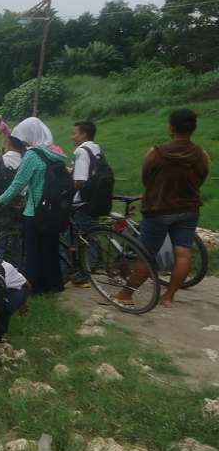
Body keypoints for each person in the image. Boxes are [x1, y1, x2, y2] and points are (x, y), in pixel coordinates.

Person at [116, 109, 210, 308]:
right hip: (189, 209)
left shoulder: (156, 153)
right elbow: (201, 177)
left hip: (158, 209)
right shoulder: (200, 153)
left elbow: (146, 178)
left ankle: (126, 295)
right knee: (183, 253)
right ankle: (168, 297)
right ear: (193, 128)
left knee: (146, 254)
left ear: (171, 128)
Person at [0, 117, 68, 295]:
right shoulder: (55, 152)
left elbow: (18, 184)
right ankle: (54, 285)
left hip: (36, 211)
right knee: (50, 249)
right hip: (54, 209)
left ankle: (34, 288)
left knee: (33, 252)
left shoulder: (33, 155)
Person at [69, 120, 102, 286]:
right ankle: (92, 265)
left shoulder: (81, 151)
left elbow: (80, 180)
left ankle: (87, 272)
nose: (72, 137)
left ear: (84, 134)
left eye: (75, 133)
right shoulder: (96, 148)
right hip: (97, 198)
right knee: (91, 232)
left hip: (83, 200)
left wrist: (68, 188)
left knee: (84, 236)